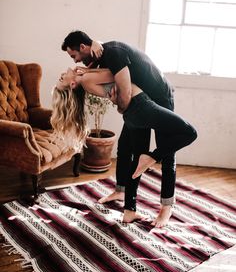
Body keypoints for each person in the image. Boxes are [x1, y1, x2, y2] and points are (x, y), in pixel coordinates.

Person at [51, 66, 197, 226]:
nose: (62, 72)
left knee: (151, 155)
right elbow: (116, 73)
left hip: (148, 102)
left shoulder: (87, 75)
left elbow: (116, 80)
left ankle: (147, 208)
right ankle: (130, 193)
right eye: (61, 78)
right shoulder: (88, 77)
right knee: (132, 148)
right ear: (72, 84)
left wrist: (87, 71)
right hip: (140, 105)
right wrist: (88, 72)